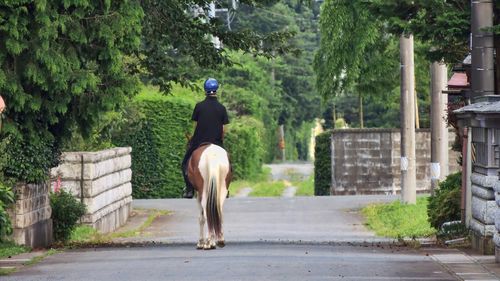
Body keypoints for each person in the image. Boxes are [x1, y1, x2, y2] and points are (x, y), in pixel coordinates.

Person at [181, 78, 229, 198]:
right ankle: (225, 187)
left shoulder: (199, 106)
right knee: (228, 163)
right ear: (216, 90)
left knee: (185, 163)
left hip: (199, 142)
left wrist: (194, 139)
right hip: (217, 142)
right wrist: (220, 140)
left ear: (205, 90)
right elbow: (223, 129)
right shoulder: (222, 108)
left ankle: (189, 190)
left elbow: (196, 125)